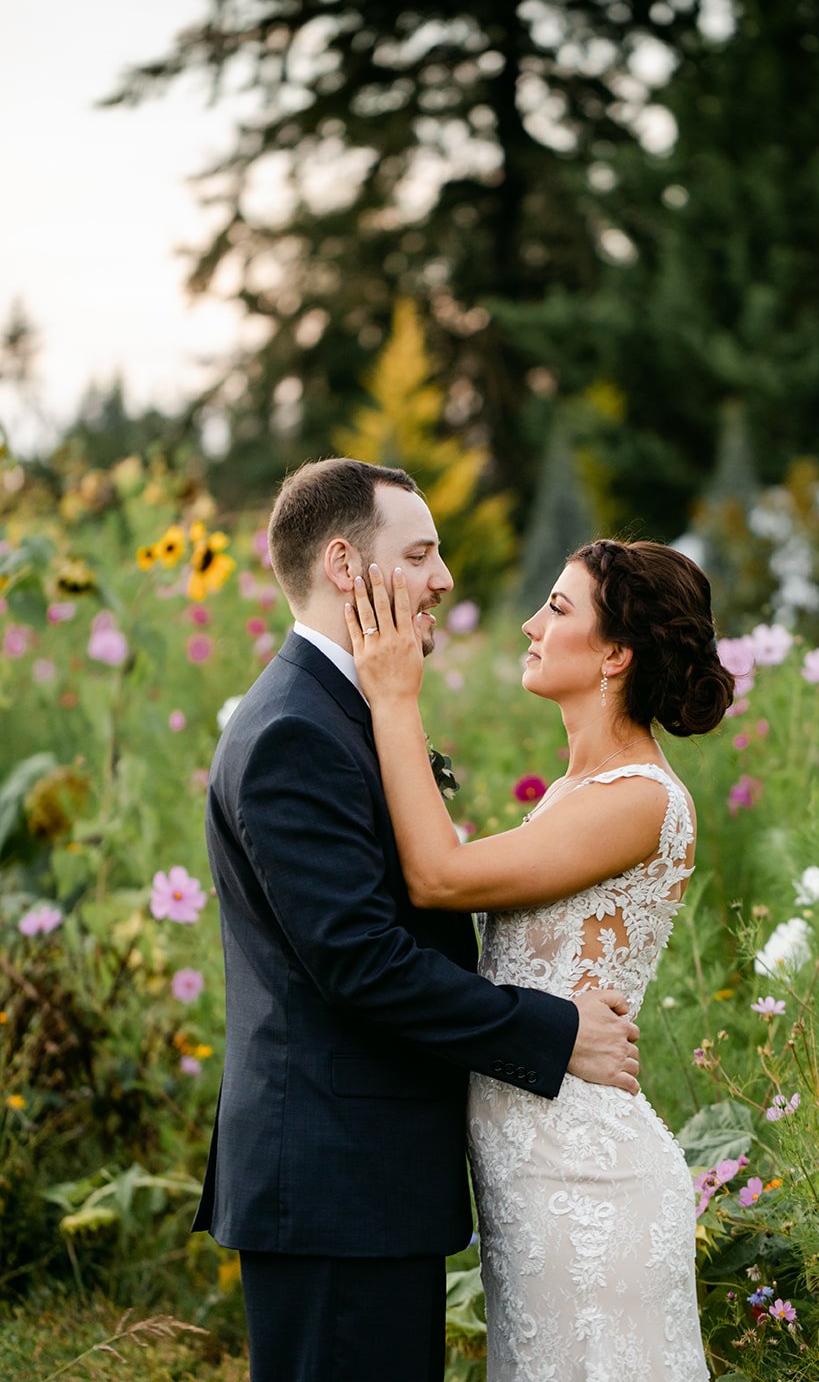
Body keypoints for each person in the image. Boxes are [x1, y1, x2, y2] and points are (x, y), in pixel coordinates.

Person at [191, 459, 640, 1382]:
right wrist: (554, 1034)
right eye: (422, 554)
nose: (443, 579)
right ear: (348, 566)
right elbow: (361, 962)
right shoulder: (295, 732)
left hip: (361, 1180)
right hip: (333, 1182)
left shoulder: (337, 711)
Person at [346, 535, 735, 1382]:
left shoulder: (638, 799)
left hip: (589, 1186)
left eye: (556, 609)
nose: (529, 623)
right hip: (529, 1184)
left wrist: (392, 694)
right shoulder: (569, 798)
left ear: (615, 654)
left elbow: (437, 875)